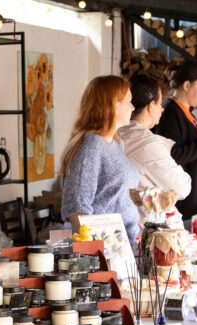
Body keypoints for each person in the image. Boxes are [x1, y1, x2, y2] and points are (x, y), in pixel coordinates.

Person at [60, 75, 139, 247]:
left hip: (124, 245)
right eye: (129, 102)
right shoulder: (91, 145)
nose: (133, 107)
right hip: (106, 250)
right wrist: (102, 249)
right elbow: (77, 208)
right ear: (113, 105)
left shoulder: (116, 143)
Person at [117, 74, 191, 223]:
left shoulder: (117, 134)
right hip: (145, 226)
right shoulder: (146, 144)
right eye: (160, 104)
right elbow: (182, 187)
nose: (162, 109)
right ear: (151, 106)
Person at [156, 60, 197, 220]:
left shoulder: (187, 112)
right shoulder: (171, 113)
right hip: (184, 202)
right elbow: (174, 155)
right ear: (187, 85)